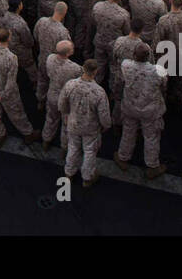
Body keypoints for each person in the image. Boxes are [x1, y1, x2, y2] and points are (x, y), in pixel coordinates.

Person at [114, 40, 168, 178]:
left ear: (134, 54)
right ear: (148, 55)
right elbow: (164, 87)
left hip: (130, 106)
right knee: (151, 137)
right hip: (150, 109)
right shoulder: (158, 71)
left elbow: (119, 82)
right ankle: (152, 166)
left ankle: (123, 157)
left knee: (128, 132)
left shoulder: (126, 66)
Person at [0, 27, 39, 147]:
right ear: (9, 38)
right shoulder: (11, 58)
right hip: (8, 93)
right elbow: (11, 82)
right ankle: (28, 134)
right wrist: (2, 95)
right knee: (17, 113)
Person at [59, 59, 112, 188]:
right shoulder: (99, 92)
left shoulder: (70, 85)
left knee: (73, 147)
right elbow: (104, 115)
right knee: (89, 152)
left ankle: (69, 173)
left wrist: (67, 116)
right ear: (95, 72)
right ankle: (87, 178)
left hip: (73, 123)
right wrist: (106, 126)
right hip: (90, 128)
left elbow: (61, 104)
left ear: (83, 68)